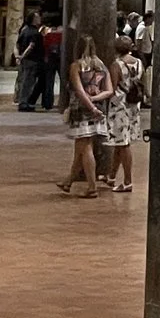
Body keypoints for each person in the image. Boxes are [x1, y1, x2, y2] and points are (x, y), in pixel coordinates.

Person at [59, 35, 113, 198]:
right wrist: (95, 101)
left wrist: (90, 106)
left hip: (81, 111)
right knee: (80, 147)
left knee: (86, 147)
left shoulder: (76, 66)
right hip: (99, 109)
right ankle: (68, 181)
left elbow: (79, 91)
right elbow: (109, 90)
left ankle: (92, 187)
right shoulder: (101, 66)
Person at [103, 34, 146, 194]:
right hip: (134, 105)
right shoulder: (139, 62)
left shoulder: (117, 65)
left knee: (123, 144)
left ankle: (128, 181)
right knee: (120, 142)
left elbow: (113, 87)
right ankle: (111, 176)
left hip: (120, 106)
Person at [13, 9, 46, 112]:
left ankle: (23, 101)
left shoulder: (24, 30)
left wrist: (17, 56)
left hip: (25, 61)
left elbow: (17, 45)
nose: (39, 19)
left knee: (24, 80)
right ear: (33, 19)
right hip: (32, 60)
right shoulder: (35, 33)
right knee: (28, 82)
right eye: (37, 17)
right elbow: (31, 46)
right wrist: (22, 56)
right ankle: (24, 103)